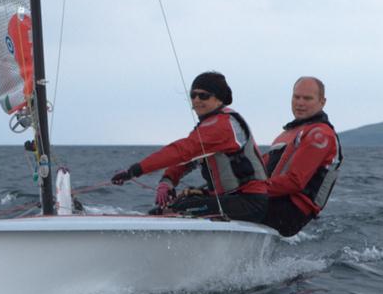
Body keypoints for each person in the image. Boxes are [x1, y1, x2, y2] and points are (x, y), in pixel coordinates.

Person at [111, 72, 268, 223]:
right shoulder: (209, 126)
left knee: (173, 211)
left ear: (219, 99)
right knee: (173, 206)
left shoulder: (222, 125)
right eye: (193, 95)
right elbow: (189, 160)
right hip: (232, 199)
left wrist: (135, 171)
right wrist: (168, 180)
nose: (196, 100)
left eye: (203, 95)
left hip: (249, 202)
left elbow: (182, 151)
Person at [262, 76, 343, 237]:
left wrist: (248, 191)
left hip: (289, 213)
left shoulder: (320, 135)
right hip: (271, 201)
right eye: (296, 97)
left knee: (215, 205)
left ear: (322, 102)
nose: (300, 103)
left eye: (307, 98)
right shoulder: (287, 134)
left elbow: (295, 182)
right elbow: (258, 168)